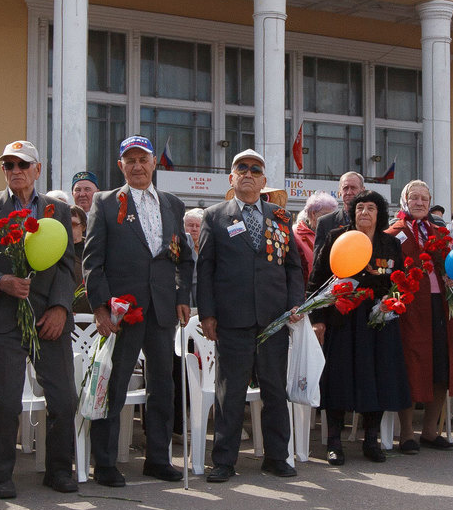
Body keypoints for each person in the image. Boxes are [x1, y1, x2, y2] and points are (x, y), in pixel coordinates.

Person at [0, 141, 83, 498]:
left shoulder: (56, 209)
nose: (15, 171)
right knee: (8, 402)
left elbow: (66, 264)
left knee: (63, 399)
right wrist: (2, 281)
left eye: (22, 164)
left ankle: (59, 471)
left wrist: (61, 308)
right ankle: (0, 475)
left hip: (49, 318)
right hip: (2, 318)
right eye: (8, 165)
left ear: (37, 169)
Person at [82, 136, 190, 486]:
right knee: (114, 385)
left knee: (163, 385)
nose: (137, 166)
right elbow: (92, 261)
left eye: (143, 159)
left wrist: (183, 296)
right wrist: (100, 308)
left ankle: (158, 458)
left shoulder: (173, 204)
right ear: (120, 166)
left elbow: (184, 257)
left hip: (162, 310)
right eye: (130, 160)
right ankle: (106, 462)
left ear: (153, 163)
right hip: (123, 312)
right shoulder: (105, 202)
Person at [193, 149, 305, 481]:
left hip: (273, 318)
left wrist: (295, 302)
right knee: (231, 392)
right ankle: (225, 461)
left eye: (255, 169)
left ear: (264, 180)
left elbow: (293, 268)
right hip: (232, 318)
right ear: (231, 178)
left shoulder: (281, 217)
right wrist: (208, 314)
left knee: (274, 390)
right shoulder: (214, 216)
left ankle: (276, 457)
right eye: (241, 168)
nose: (248, 173)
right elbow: (206, 270)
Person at [310, 188, 408, 464]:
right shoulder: (336, 238)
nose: (364, 213)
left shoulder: (390, 245)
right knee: (339, 380)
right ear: (352, 213)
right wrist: (318, 320)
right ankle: (333, 443)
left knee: (377, 380)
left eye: (371, 208)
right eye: (360, 208)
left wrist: (393, 302)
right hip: (343, 321)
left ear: (380, 214)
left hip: (379, 321)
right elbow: (317, 282)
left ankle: (371, 440)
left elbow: (399, 282)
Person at [390, 178, 453, 450]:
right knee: (411, 366)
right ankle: (407, 433)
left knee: (440, 366)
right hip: (409, 310)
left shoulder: (440, 233)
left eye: (424, 198)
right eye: (414, 197)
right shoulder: (392, 233)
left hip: (439, 306)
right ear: (404, 201)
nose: (419, 202)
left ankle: (430, 430)